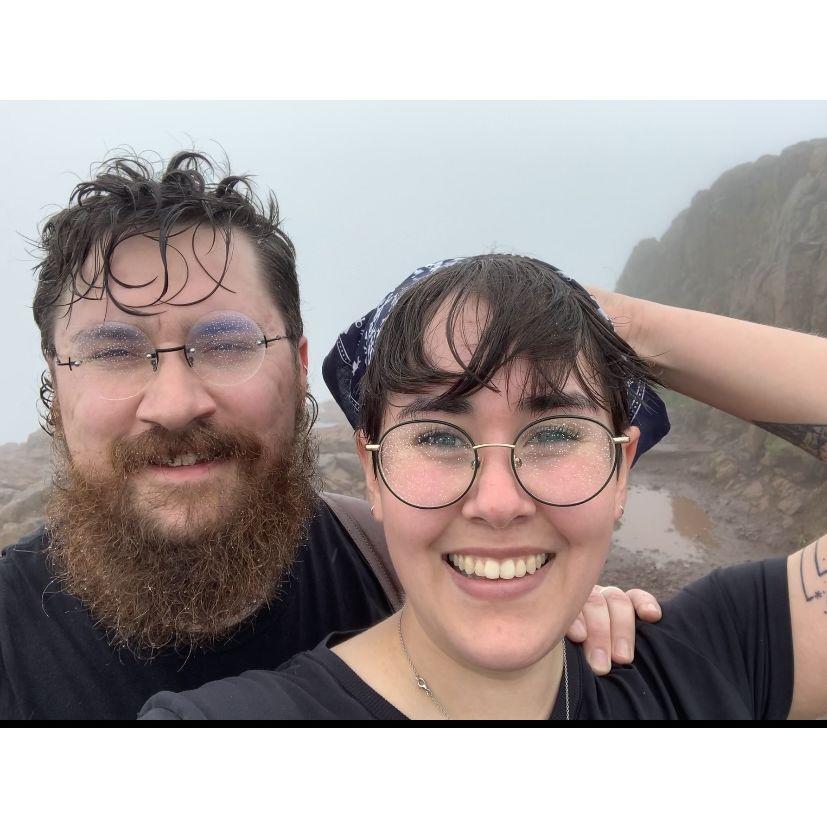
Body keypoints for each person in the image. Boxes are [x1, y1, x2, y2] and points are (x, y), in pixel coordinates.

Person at [0, 155, 655, 720]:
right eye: (114, 352)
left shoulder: (397, 564)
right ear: (56, 393)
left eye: (226, 344)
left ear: (298, 366)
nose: (174, 404)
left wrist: (547, 600)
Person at [139, 253, 827, 720]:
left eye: (555, 433)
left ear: (622, 469)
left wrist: (619, 324)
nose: (498, 503)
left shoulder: (707, 670)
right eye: (438, 436)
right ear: (373, 471)